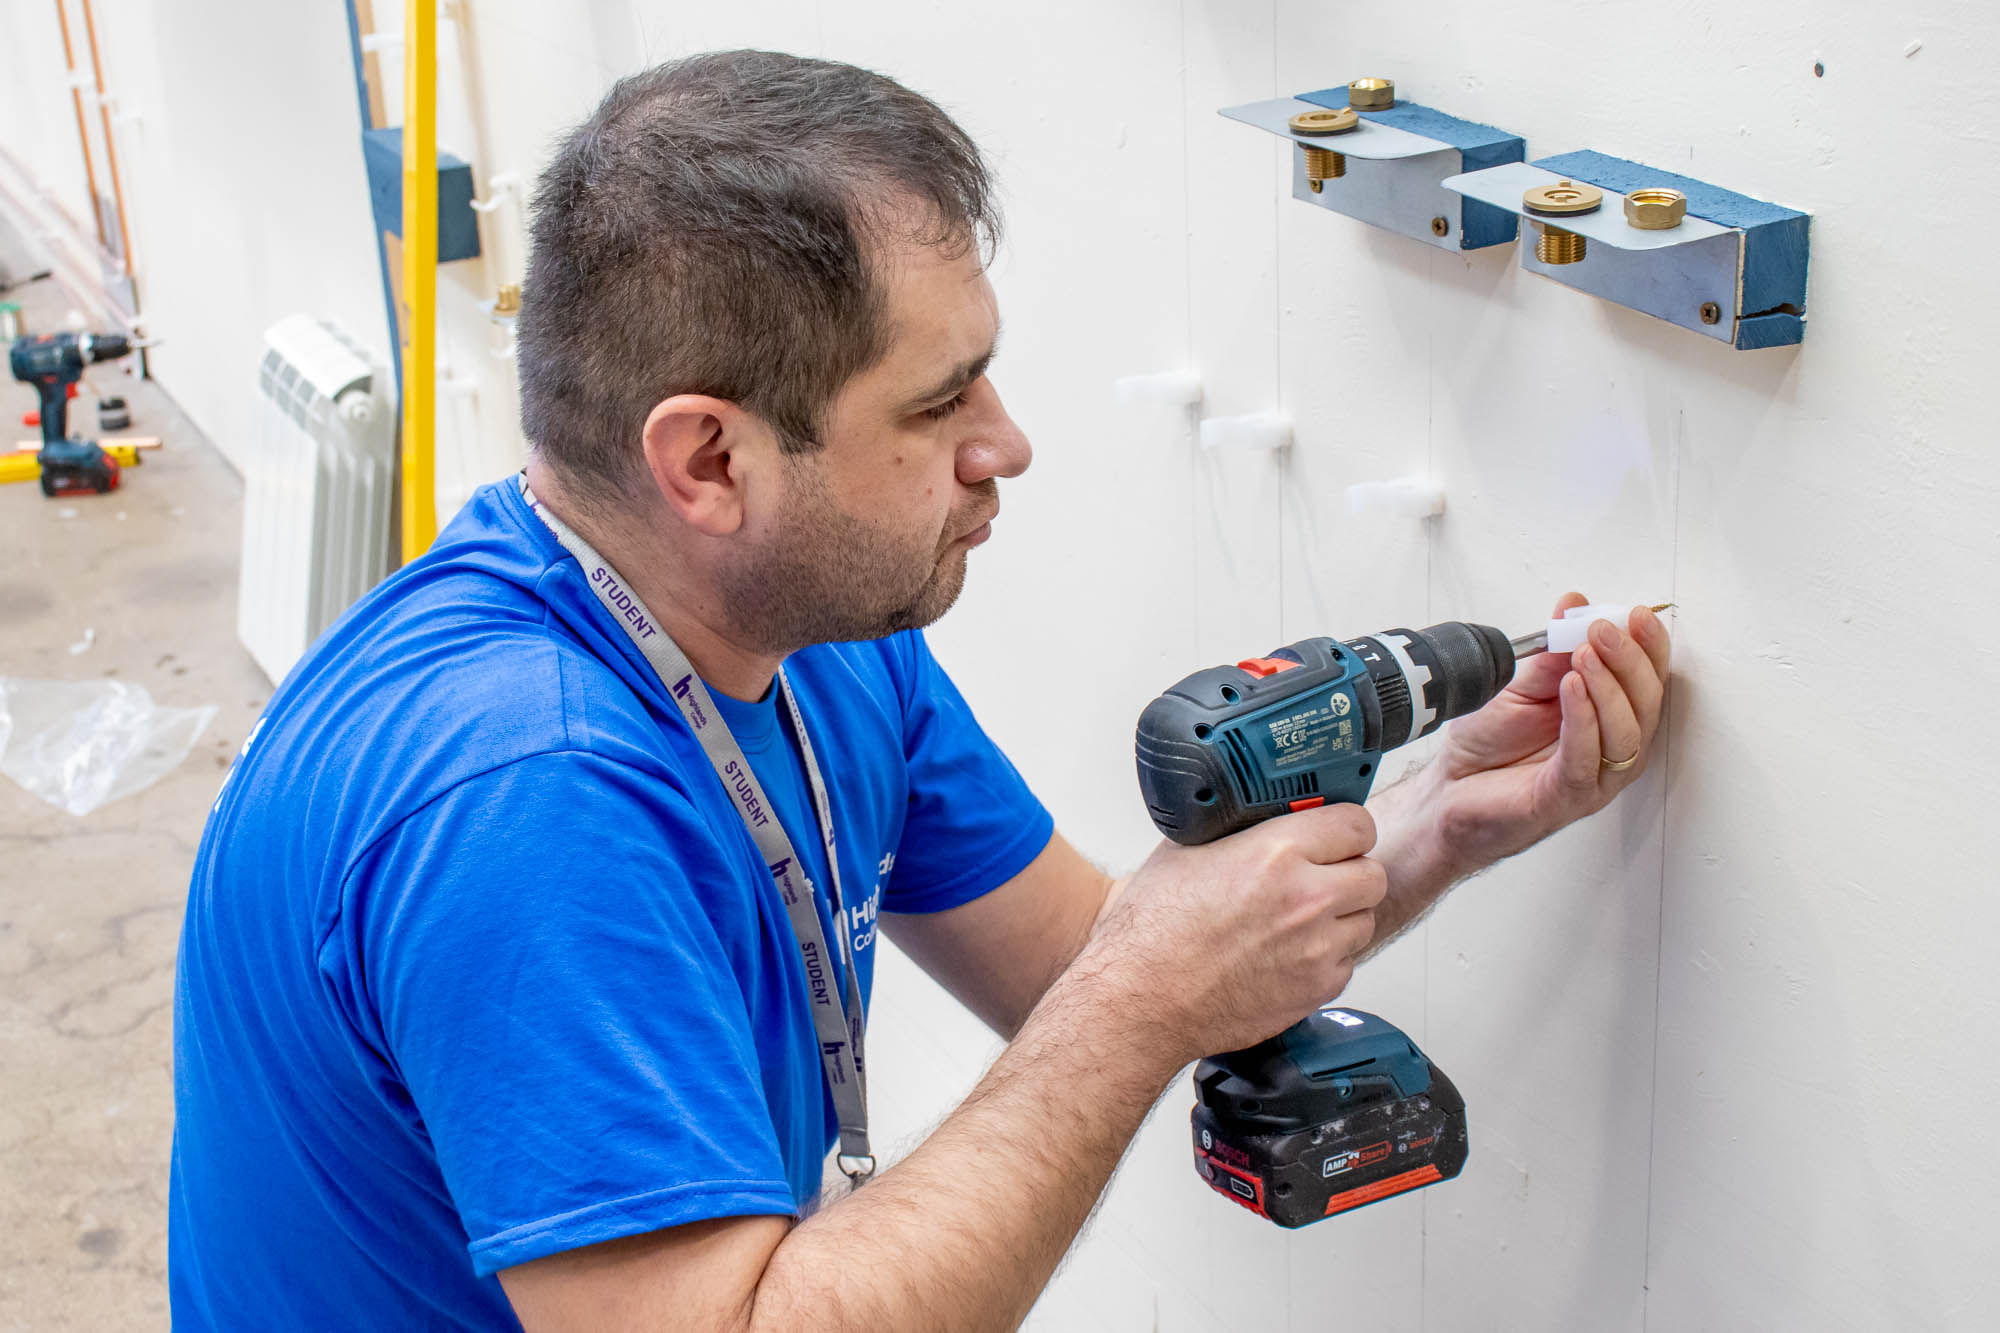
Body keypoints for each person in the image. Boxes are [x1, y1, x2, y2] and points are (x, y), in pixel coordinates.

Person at [169, 50, 1671, 1332]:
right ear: (708, 461)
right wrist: (1143, 996)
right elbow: (1125, 993)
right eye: (941, 401)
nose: (1007, 444)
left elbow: (1084, 963)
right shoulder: (527, 796)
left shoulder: (815, 630)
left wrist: (1439, 819)